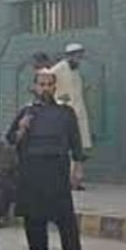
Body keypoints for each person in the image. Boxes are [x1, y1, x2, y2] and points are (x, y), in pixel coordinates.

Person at [6, 70, 91, 250]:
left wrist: (78, 167)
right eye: (41, 84)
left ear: (55, 87)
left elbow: (75, 141)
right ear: (35, 87)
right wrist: (22, 129)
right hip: (31, 172)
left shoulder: (65, 113)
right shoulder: (26, 112)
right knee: (33, 219)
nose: (45, 88)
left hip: (57, 171)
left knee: (66, 220)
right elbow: (10, 140)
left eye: (49, 84)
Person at [49, 43, 92, 190]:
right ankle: (67, 180)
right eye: (76, 56)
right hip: (65, 114)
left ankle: (75, 180)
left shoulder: (75, 72)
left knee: (78, 147)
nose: (79, 59)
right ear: (69, 56)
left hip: (78, 113)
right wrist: (60, 98)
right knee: (67, 147)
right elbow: (48, 82)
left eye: (80, 56)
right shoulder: (59, 69)